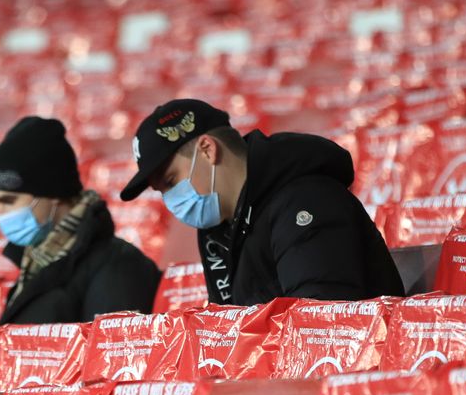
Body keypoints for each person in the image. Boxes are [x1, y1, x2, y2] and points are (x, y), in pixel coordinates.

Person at [120, 99, 404, 306]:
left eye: (171, 182)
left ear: (207, 151)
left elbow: (323, 329)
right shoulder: (218, 229)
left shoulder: (307, 201)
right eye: (162, 192)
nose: (171, 201)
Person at [0, 116, 160, 324]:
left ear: (53, 194)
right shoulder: (34, 265)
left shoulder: (119, 265)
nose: (1, 214)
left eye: (9, 200)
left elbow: (115, 353)